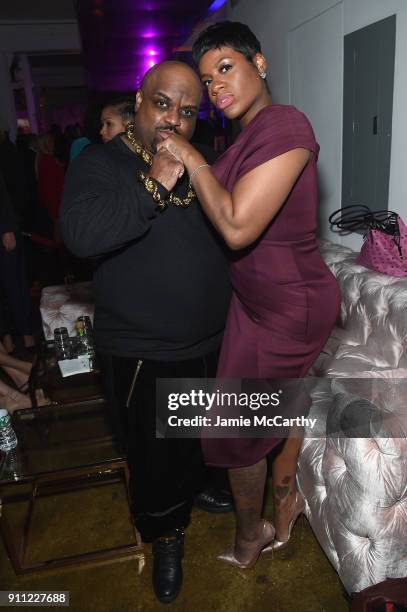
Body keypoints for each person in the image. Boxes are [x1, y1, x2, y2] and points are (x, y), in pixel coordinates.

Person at [158, 21, 341, 568]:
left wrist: (191, 158)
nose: (216, 88)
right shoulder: (243, 138)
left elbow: (237, 226)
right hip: (253, 300)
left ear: (259, 64)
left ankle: (251, 534)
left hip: (289, 304)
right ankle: (285, 501)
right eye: (208, 82)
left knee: (232, 430)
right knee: (262, 412)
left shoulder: (285, 124)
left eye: (225, 69)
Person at [60, 60, 231, 603]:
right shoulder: (102, 164)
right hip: (142, 350)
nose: (174, 120)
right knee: (154, 459)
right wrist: (155, 179)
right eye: (163, 104)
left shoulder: (206, 163)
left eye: (187, 111)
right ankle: (167, 536)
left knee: (196, 439)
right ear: (138, 99)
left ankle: (197, 487)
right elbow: (83, 236)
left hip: (210, 340)